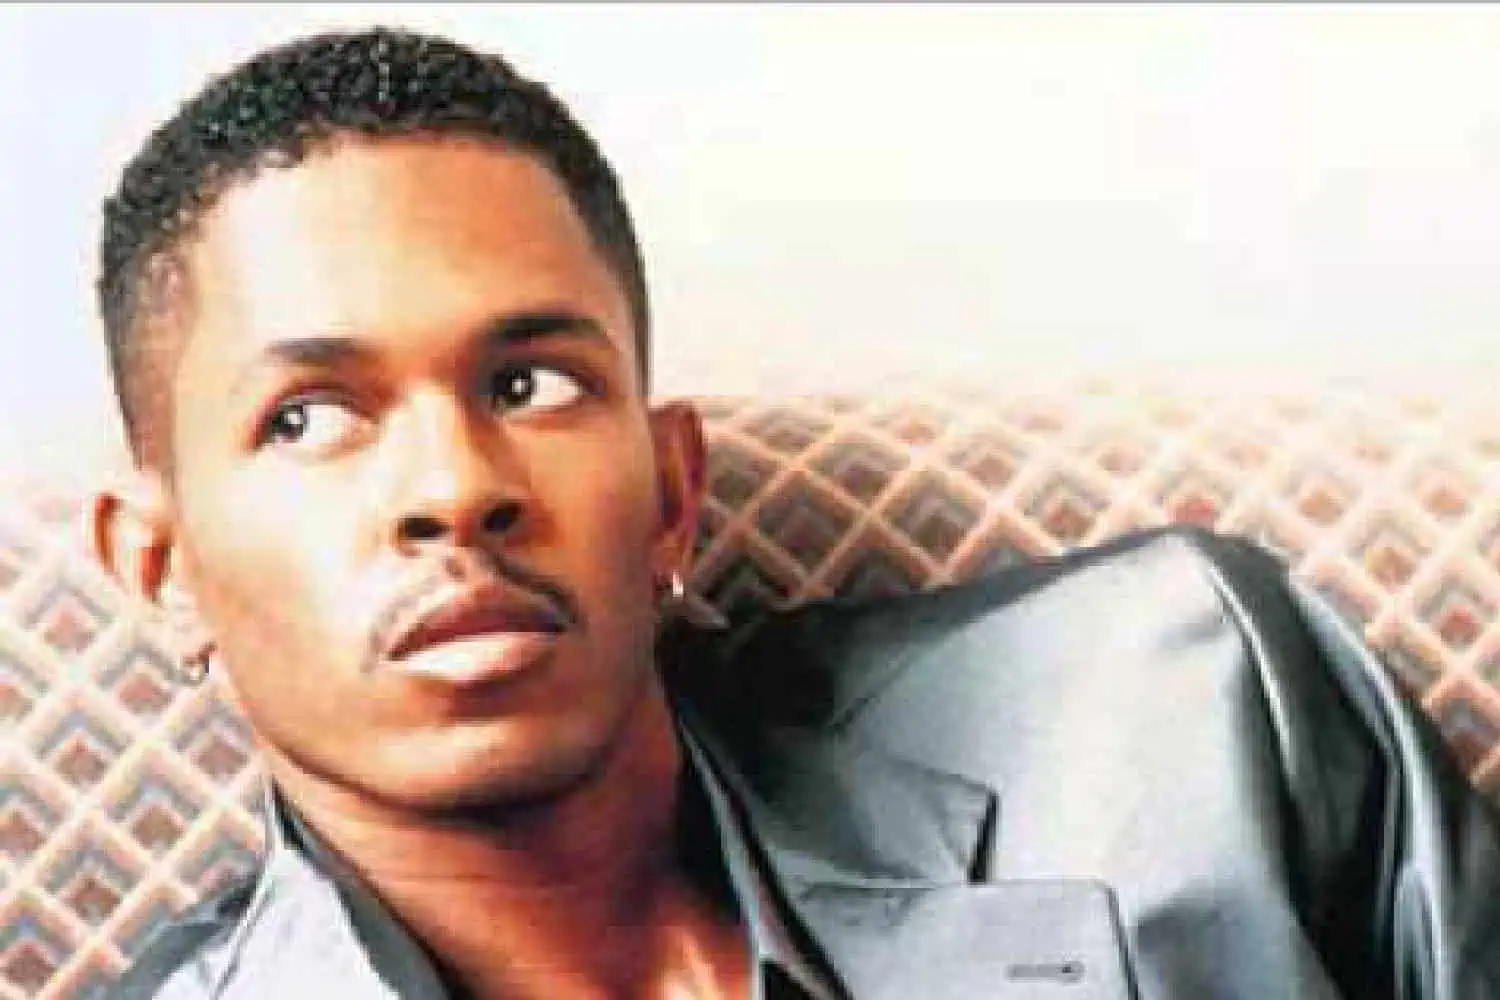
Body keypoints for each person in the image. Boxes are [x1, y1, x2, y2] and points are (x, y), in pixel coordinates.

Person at [87, 26, 1500, 1000]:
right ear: (159, 568)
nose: (456, 488)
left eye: (530, 383)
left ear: (671, 494)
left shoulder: (1185, 702)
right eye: (308, 417)